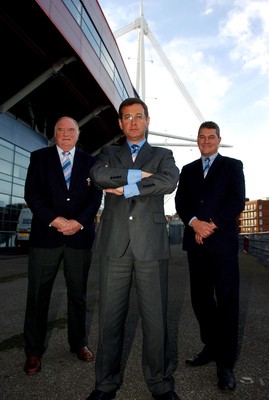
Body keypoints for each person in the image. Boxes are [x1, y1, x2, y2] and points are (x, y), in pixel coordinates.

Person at [86, 98, 180, 400]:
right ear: (120, 123)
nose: (133, 122)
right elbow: (98, 176)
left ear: (148, 120)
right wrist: (138, 175)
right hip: (115, 244)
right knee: (110, 318)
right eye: (127, 117)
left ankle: (160, 383)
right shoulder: (108, 152)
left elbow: (169, 180)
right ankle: (106, 383)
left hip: (150, 245)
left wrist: (126, 186)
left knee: (155, 320)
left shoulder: (163, 154)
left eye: (139, 116)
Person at [23, 116, 102, 375]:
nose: (66, 134)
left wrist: (78, 222)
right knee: (37, 297)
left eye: (71, 130)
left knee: (77, 296)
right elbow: (31, 194)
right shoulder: (39, 158)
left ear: (78, 135)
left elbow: (95, 196)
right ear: (54, 134)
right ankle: (33, 352)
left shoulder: (91, 163)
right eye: (61, 130)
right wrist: (56, 220)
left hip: (79, 238)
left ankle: (78, 343)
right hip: (45, 238)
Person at [175, 121, 245, 392]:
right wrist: (194, 223)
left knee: (227, 302)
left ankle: (225, 364)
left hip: (222, 244)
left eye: (211, 137)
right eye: (202, 137)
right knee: (201, 300)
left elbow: (237, 201)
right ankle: (211, 346)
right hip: (196, 243)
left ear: (219, 139)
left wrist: (210, 225)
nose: (206, 141)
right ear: (197, 140)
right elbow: (182, 202)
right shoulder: (189, 170)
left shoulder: (232, 166)